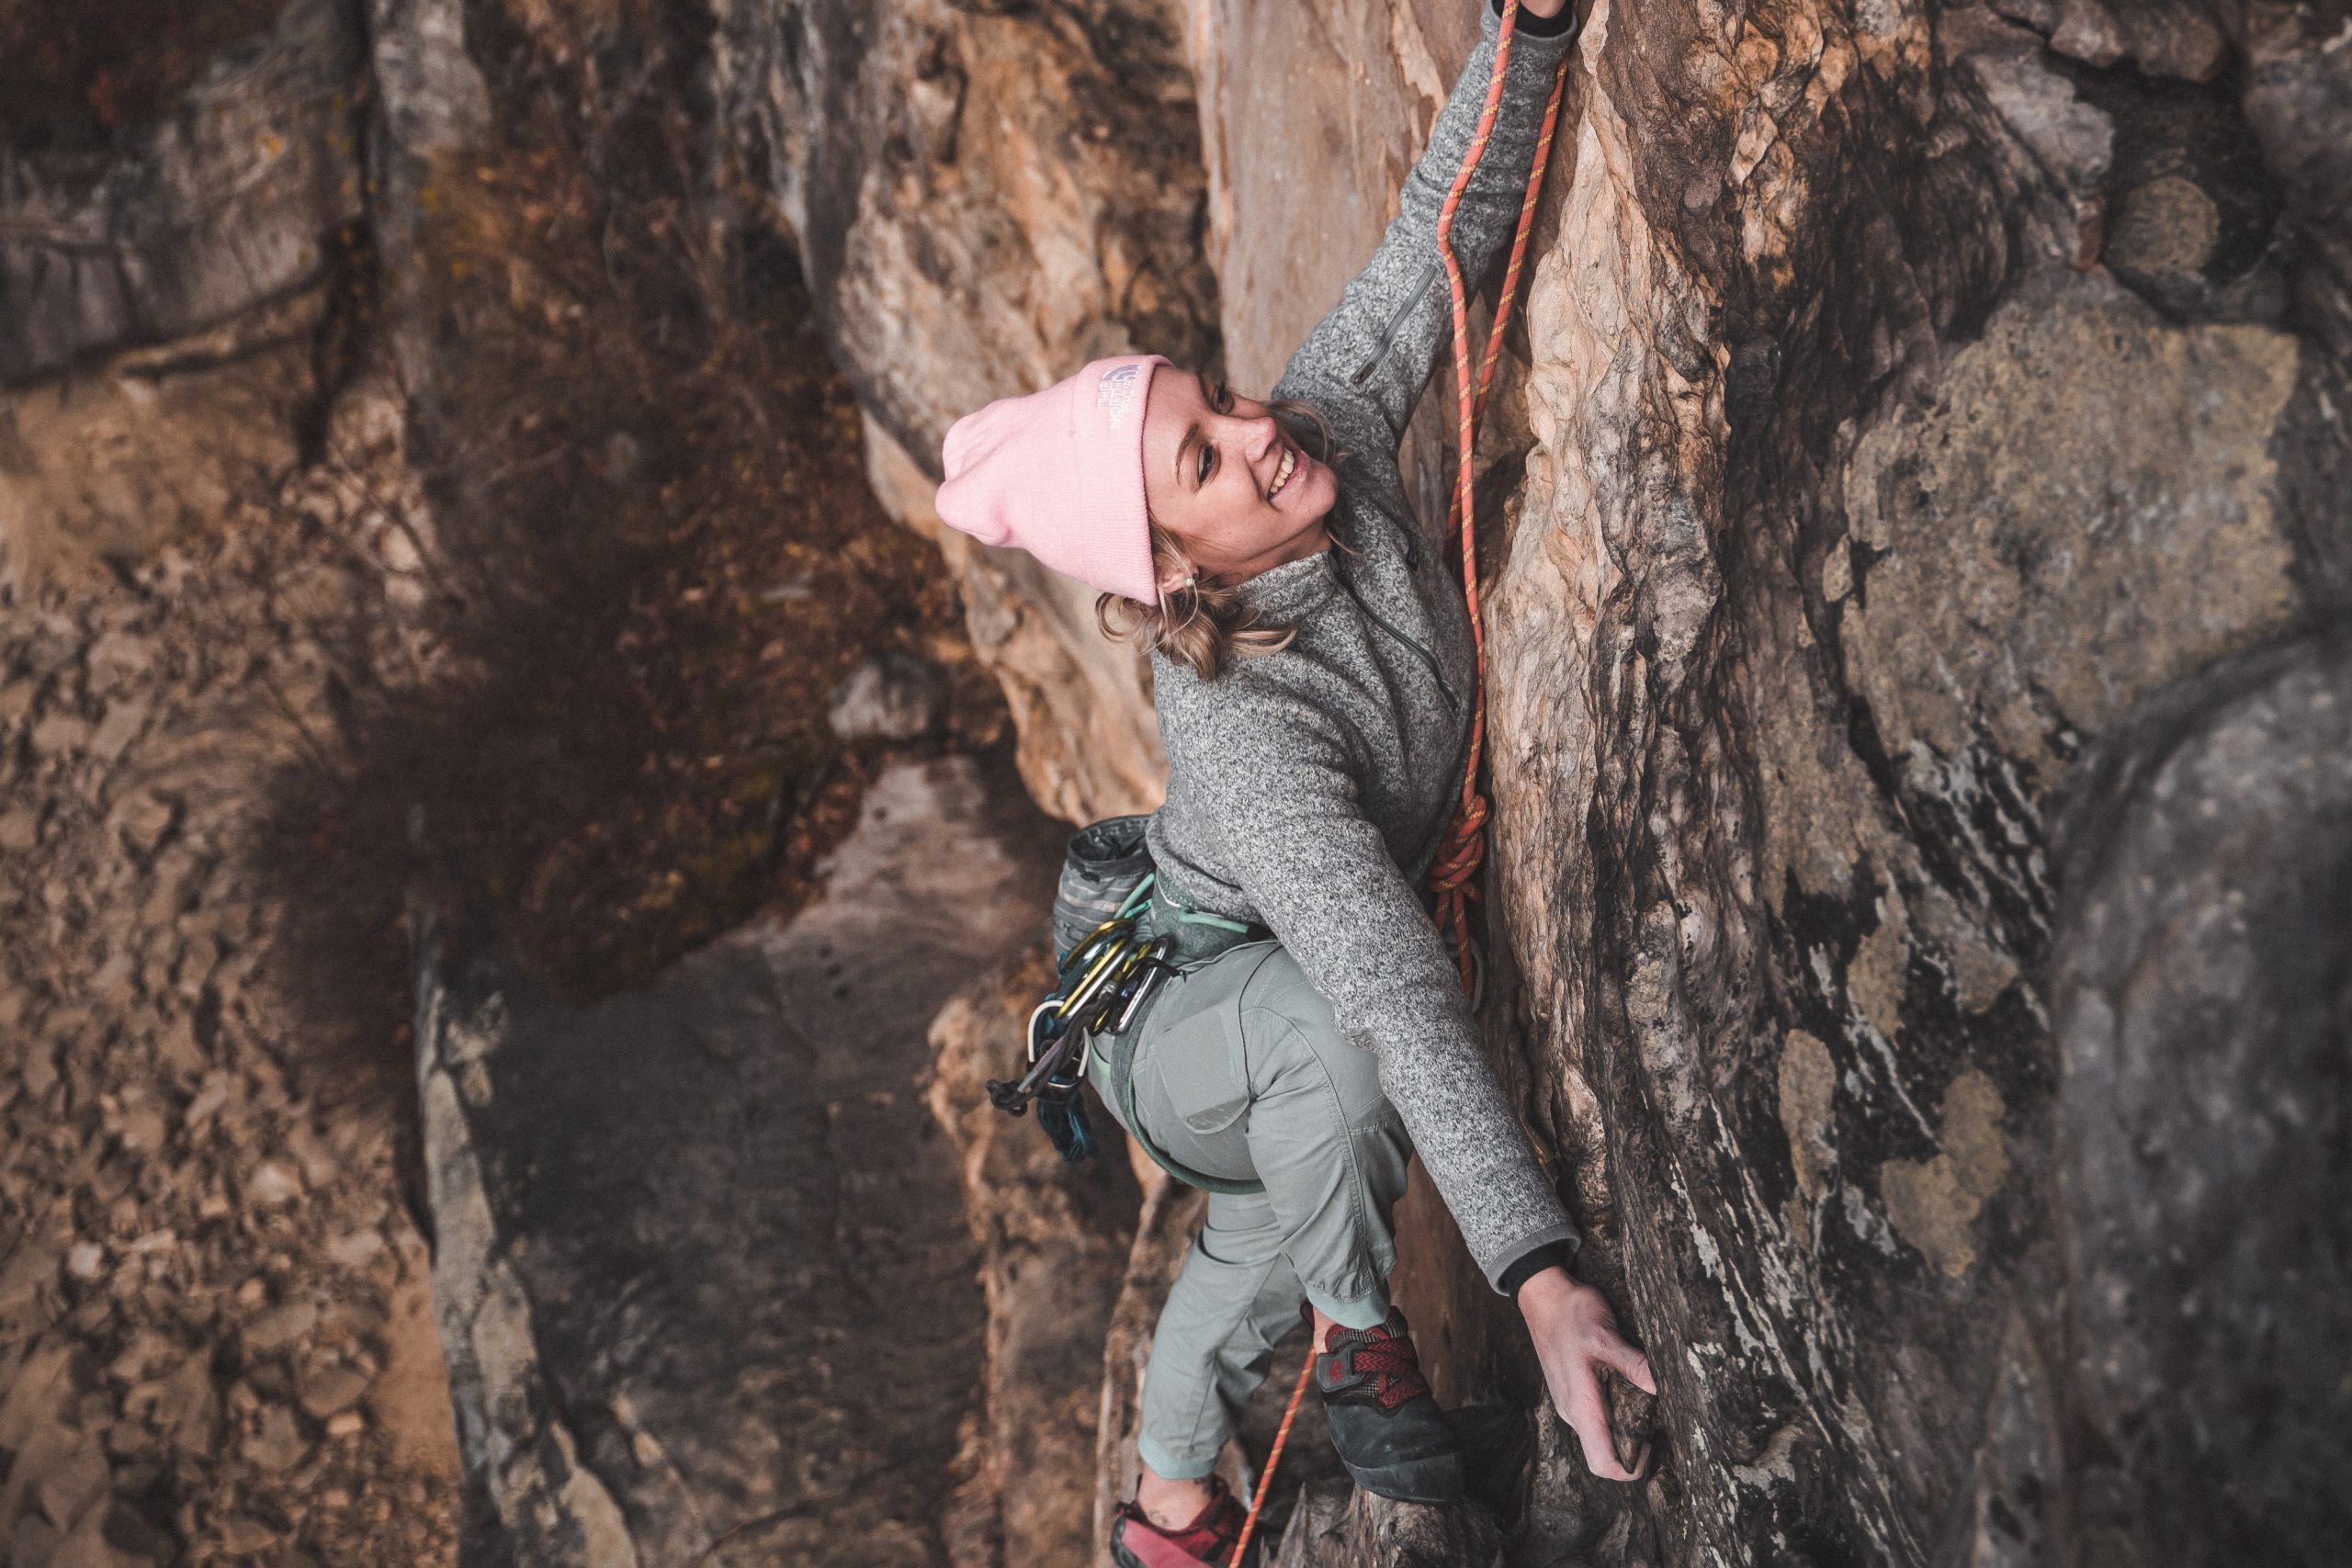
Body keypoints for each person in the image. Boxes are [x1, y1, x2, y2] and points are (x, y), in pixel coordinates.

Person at [933, 2, 1655, 1562]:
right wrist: (1539, 1277)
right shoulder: (1244, 732)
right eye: (1203, 461)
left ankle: (1169, 1509)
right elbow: (1391, 986)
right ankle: (1358, 1341)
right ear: (1169, 575)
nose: (1259, 432)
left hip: (1246, 1023)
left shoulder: (1312, 431)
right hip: (1177, 1022)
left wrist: (1525, 30)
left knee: (1255, 1235)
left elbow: (1434, 249)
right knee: (1334, 1051)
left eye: (1218, 402)